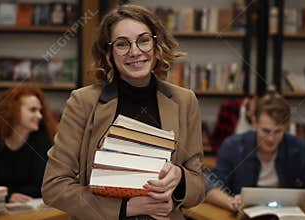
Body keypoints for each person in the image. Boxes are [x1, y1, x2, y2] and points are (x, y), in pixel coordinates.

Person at [41, 4, 205, 220]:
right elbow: (54, 187)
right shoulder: (82, 102)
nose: (135, 51)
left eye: (144, 40)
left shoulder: (185, 101)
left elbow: (199, 186)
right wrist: (126, 208)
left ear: (156, 44)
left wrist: (180, 179)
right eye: (122, 44)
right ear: (109, 53)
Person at [204, 91, 305, 212]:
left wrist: (295, 206)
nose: (271, 139)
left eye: (278, 131)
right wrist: (231, 202)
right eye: (266, 131)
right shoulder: (232, 146)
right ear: (254, 122)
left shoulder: (301, 149)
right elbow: (211, 187)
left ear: (286, 127)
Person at [0, 85, 57, 203]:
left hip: (32, 210)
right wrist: (8, 195)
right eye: (33, 110)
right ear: (13, 110)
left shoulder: (42, 140)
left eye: (40, 111)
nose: (39, 116)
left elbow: (42, 188)